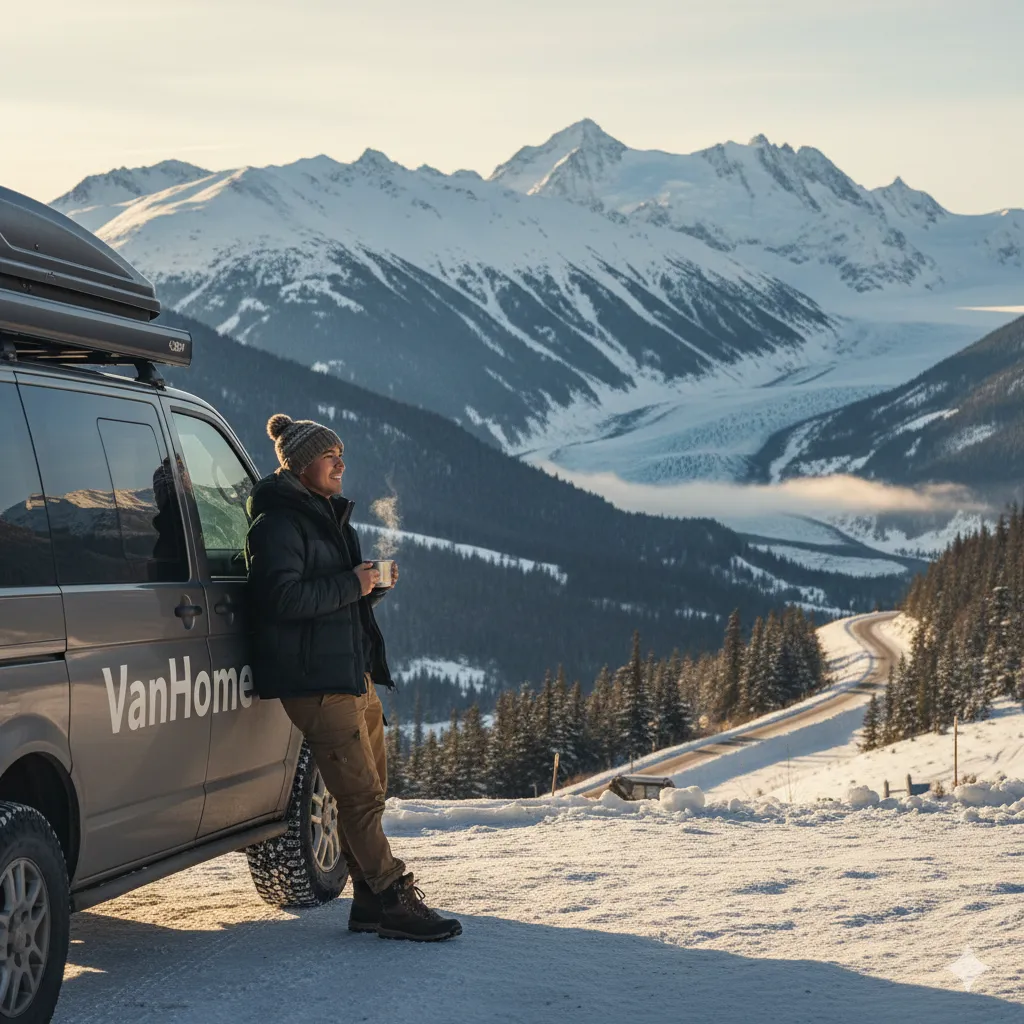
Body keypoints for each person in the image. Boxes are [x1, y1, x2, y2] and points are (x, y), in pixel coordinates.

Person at [244, 413, 461, 942]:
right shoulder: (276, 526)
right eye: (330, 455)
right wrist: (351, 583)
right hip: (316, 682)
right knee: (359, 797)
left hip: (352, 674)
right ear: (301, 464)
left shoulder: (329, 519)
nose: (341, 463)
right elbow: (281, 600)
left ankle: (367, 901)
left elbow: (338, 596)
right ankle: (392, 897)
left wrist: (371, 586)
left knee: (371, 793)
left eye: (342, 454)